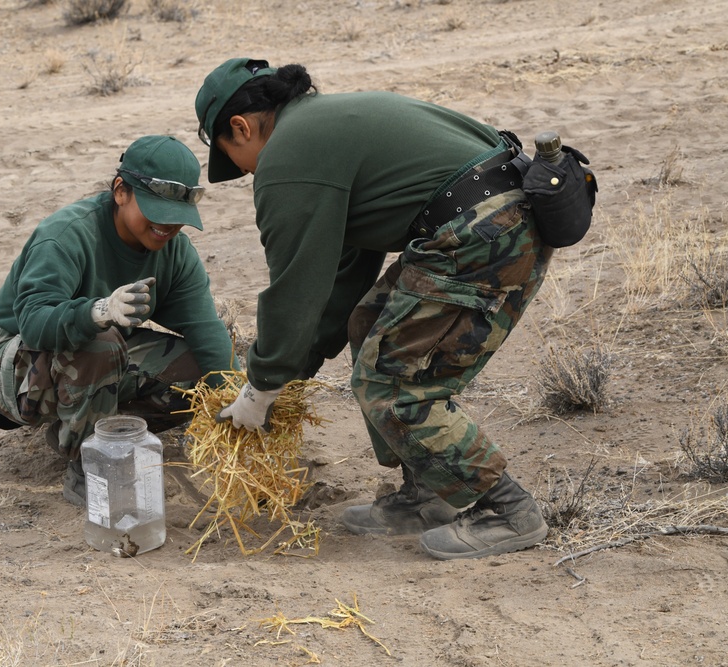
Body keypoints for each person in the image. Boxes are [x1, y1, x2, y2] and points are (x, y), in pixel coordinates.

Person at [195, 58, 551, 560]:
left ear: (241, 126)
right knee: (370, 326)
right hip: (492, 220)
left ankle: (507, 509)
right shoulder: (326, 127)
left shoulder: (289, 157)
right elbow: (340, 281)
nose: (248, 171)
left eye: (237, 157)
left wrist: (261, 385)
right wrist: (291, 372)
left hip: (485, 232)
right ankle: (429, 493)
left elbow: (294, 288)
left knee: (391, 380)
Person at [0, 135, 237, 506]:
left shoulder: (175, 253)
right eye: (157, 210)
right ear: (121, 191)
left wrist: (237, 403)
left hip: (78, 363)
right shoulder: (66, 235)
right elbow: (33, 322)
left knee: (199, 368)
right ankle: (90, 466)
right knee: (99, 343)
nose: (168, 226)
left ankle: (92, 428)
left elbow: (207, 332)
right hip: (5, 369)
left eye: (178, 218)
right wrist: (97, 312)